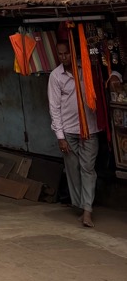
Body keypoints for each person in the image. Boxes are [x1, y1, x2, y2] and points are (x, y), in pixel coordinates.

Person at [48, 40, 99, 228]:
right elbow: (54, 107)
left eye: (66, 53)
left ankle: (87, 210)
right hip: (68, 131)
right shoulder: (55, 76)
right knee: (73, 170)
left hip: (90, 130)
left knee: (88, 169)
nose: (64, 57)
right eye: (60, 54)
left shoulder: (85, 69)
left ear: (73, 52)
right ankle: (81, 204)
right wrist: (60, 136)